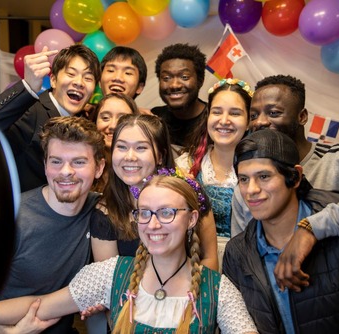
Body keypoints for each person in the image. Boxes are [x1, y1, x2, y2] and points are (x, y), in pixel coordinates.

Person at [0, 172, 259, 334]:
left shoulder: (218, 290)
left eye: (167, 213)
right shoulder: (110, 273)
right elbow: (40, 305)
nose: (153, 224)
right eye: (145, 213)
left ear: (192, 219)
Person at [231, 74, 339, 291]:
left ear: (302, 116)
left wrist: (313, 228)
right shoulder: (247, 186)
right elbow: (245, 260)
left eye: (274, 113)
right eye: (254, 115)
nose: (260, 122)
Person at [223, 129, 339, 333]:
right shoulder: (237, 253)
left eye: (264, 176)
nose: (251, 190)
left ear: (295, 178)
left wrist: (311, 230)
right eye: (243, 179)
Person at [0, 116, 111, 334]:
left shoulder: (99, 211)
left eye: (78, 162)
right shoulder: (13, 218)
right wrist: (4, 332)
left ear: (99, 168)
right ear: (45, 165)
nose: (66, 171)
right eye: (56, 161)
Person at [96, 114, 219, 271]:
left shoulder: (189, 191)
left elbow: (209, 258)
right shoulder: (104, 210)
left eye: (141, 148)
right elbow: (108, 280)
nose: (129, 157)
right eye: (121, 147)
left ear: (160, 156)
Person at [0, 44, 101, 193]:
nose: (79, 82)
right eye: (71, 74)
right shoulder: (32, 110)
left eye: (88, 78)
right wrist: (28, 86)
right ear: (53, 80)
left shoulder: (83, 125)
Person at [176, 78, 251, 266]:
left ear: (249, 120)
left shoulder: (258, 170)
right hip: (193, 260)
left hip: (244, 263)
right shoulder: (187, 164)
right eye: (217, 112)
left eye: (235, 113)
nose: (224, 121)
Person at [151, 43, 208, 157]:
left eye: (184, 77)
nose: (174, 85)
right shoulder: (154, 118)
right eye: (166, 78)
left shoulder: (214, 119)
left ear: (200, 80)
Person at [89, 92, 141, 193]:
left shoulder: (142, 168)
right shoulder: (84, 165)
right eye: (105, 118)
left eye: (122, 119)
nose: (113, 125)